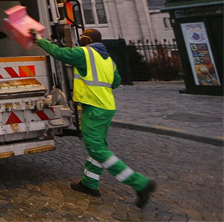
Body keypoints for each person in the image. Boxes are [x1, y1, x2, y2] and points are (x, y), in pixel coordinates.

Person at [31, 28, 156, 208]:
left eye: (82, 38)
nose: (79, 40)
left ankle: (140, 183)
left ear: (86, 40)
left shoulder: (84, 53)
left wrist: (38, 40)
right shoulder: (108, 60)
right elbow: (116, 82)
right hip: (107, 107)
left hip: (94, 108)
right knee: (98, 145)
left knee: (96, 148)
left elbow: (59, 53)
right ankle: (90, 183)